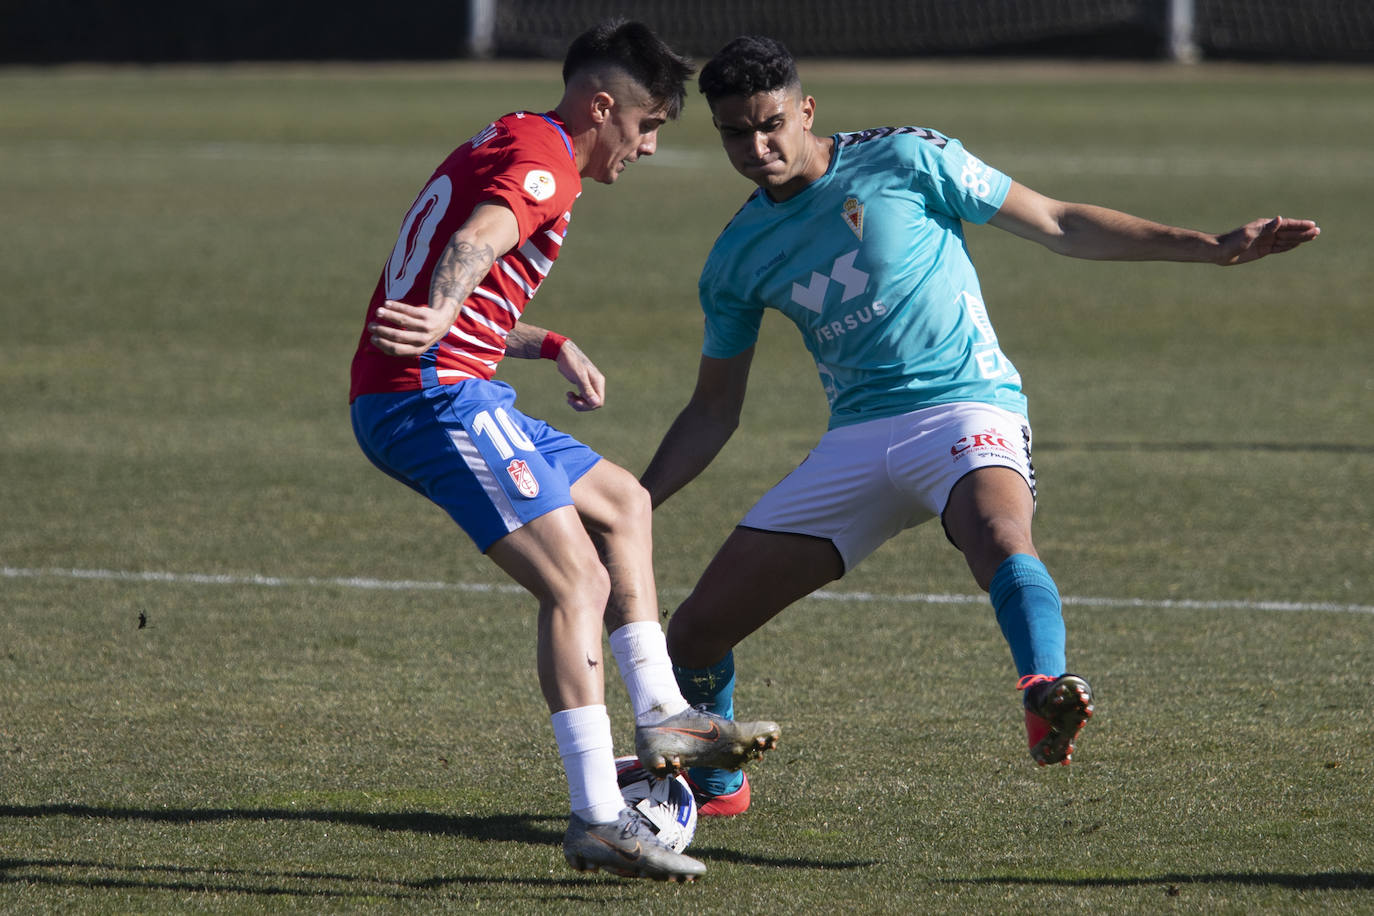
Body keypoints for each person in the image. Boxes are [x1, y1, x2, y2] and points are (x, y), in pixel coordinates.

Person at [641, 35, 1321, 817]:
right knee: (694, 634)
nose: (756, 148)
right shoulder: (735, 257)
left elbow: (1059, 222)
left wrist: (1209, 249)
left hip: (965, 406)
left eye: (770, 125)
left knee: (998, 534)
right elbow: (713, 410)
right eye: (734, 133)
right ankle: (719, 787)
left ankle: (1044, 689)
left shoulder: (906, 158)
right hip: (856, 439)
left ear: (807, 110)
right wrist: (634, 503)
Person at [348, 21, 781, 881]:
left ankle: (665, 715)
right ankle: (597, 817)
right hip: (430, 398)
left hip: (450, 385)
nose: (648, 147)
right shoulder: (546, 163)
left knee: (624, 501)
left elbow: (465, 283)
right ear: (602, 106)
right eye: (647, 126)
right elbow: (475, 242)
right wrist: (443, 316)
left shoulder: (513, 135)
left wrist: (547, 343)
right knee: (577, 581)